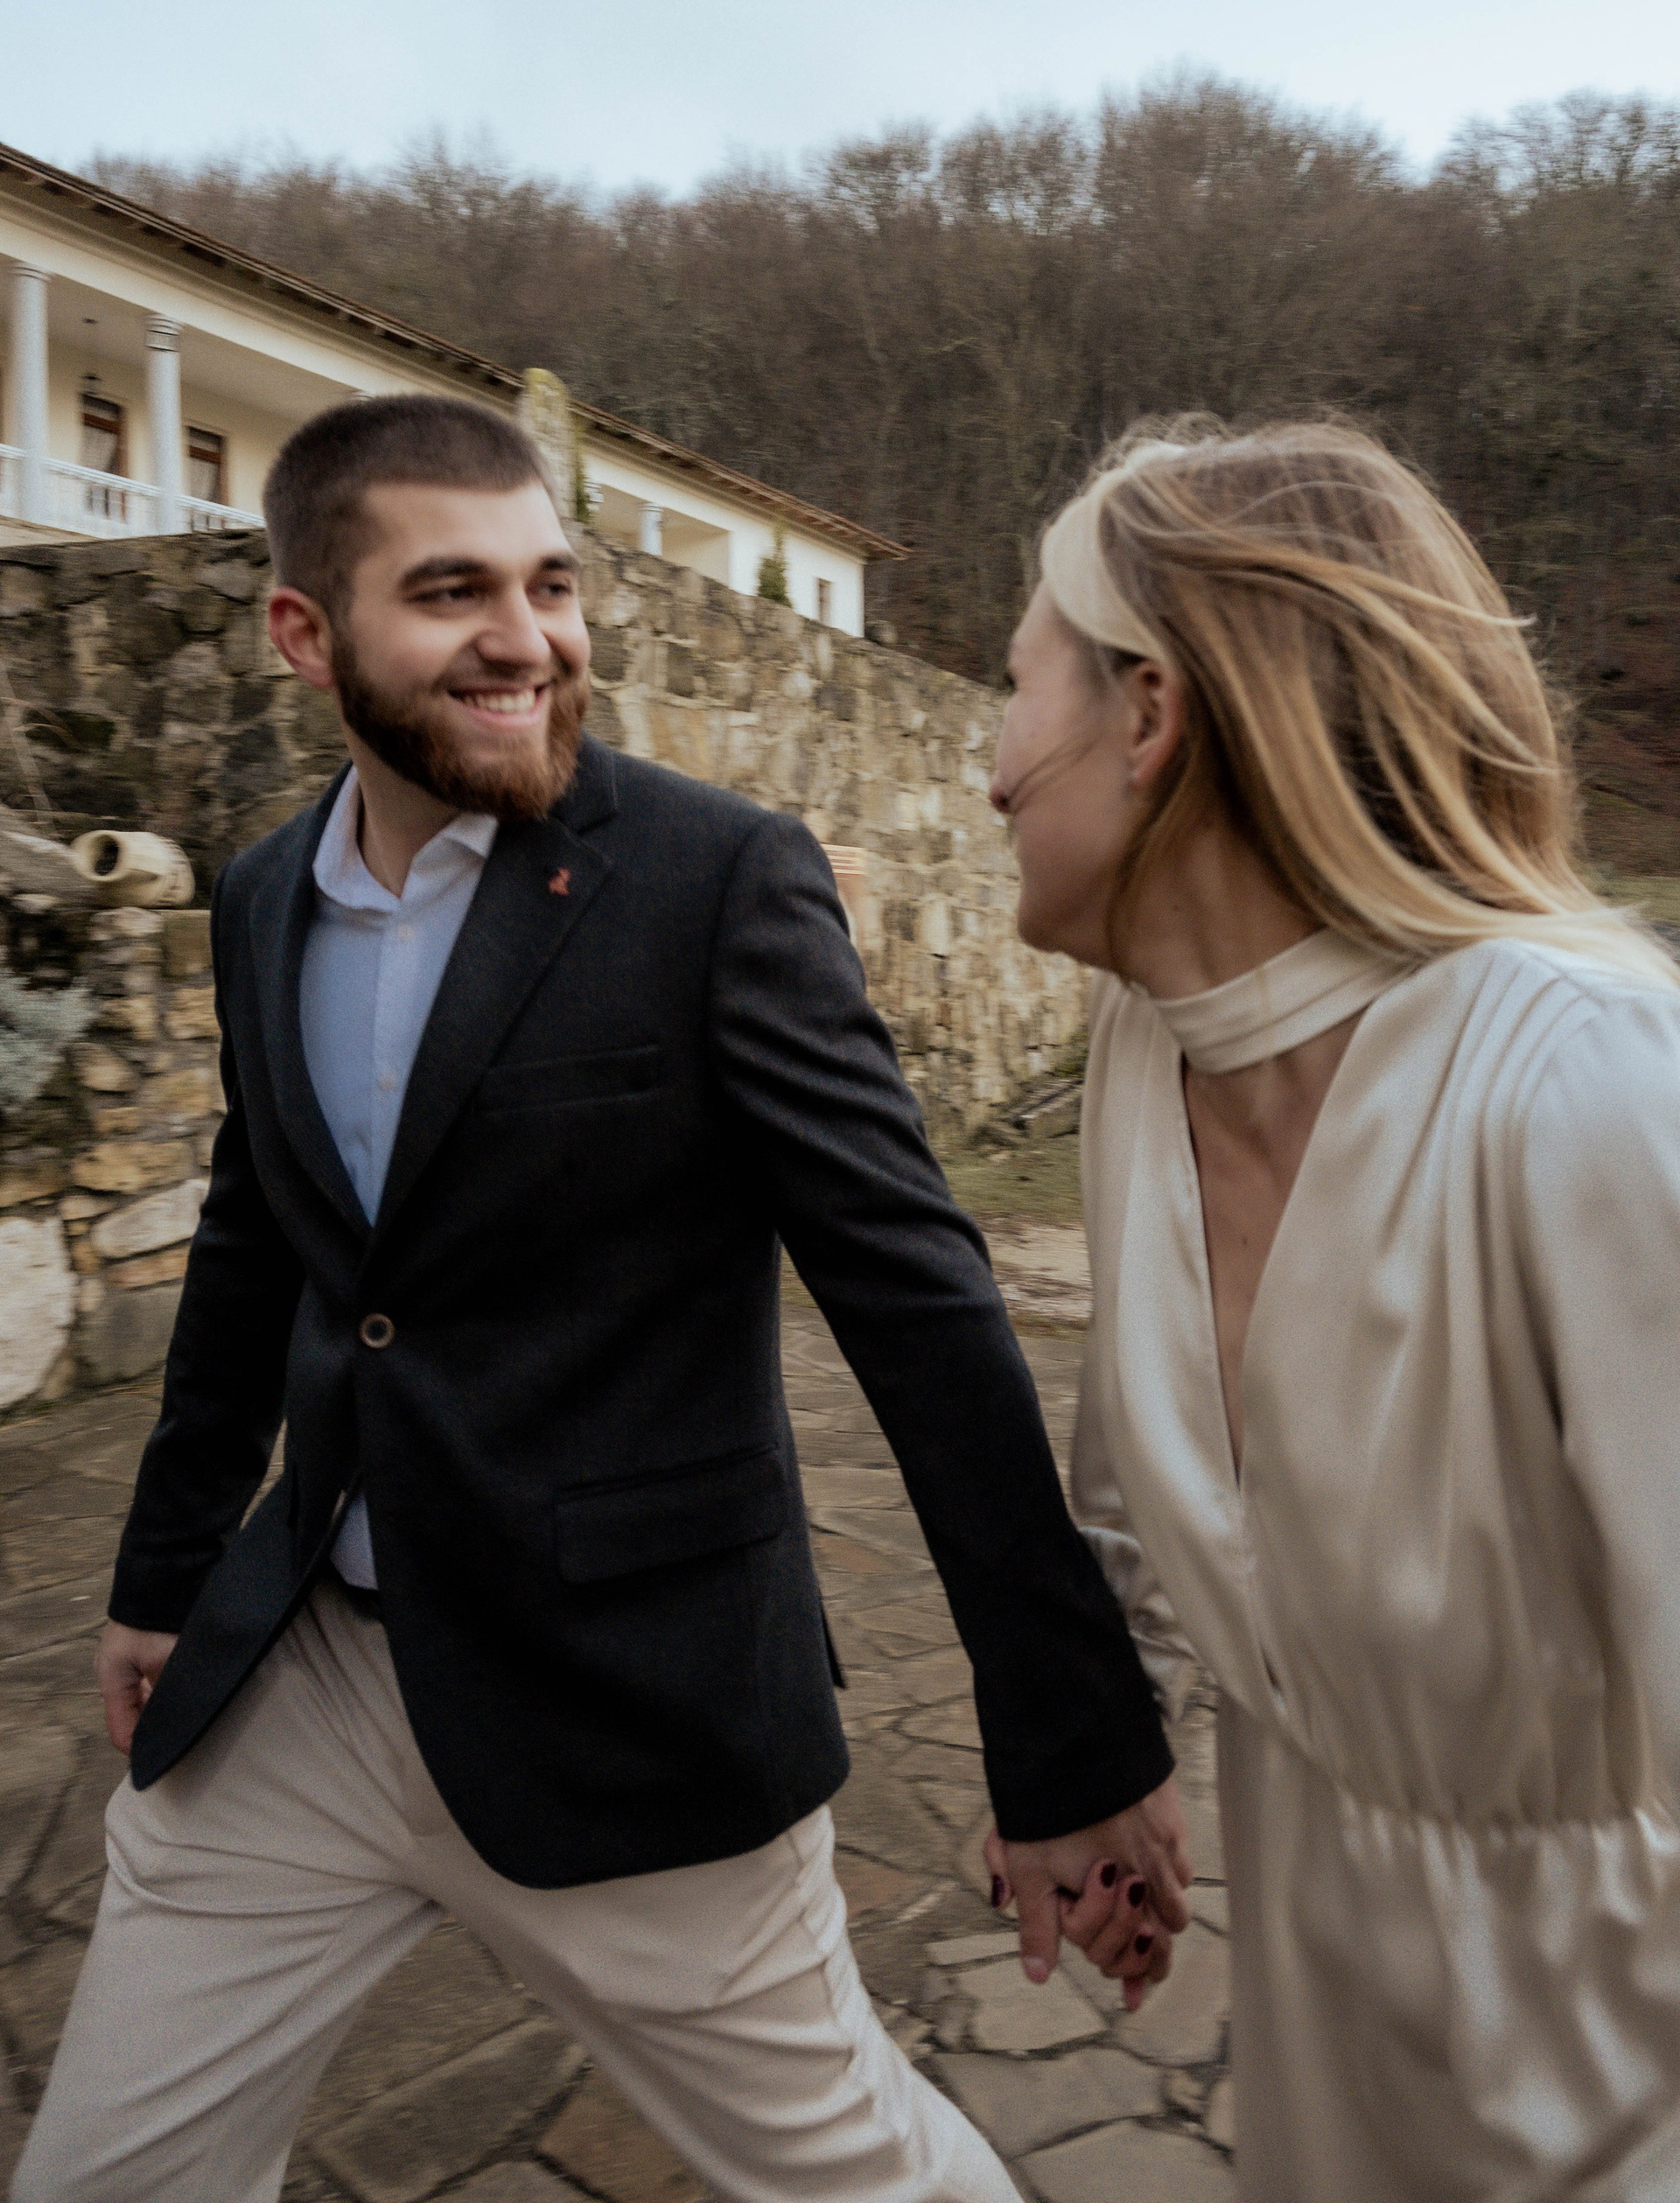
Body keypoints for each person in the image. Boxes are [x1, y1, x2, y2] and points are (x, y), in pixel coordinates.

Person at [15, 393, 1190, 2203]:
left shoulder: (715, 882)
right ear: (305, 635)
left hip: (635, 1707)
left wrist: (1070, 1734)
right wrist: (164, 1572)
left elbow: (921, 1306)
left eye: (551, 584)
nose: (528, 638)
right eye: (453, 591)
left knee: (853, 2173)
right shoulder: (259, 902)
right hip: (305, 1690)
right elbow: (257, 1245)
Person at [986, 416, 1680, 2201]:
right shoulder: (1144, 1053)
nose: (989, 764)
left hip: (1620, 2076)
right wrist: (1099, 1756)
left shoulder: (1585, 1087)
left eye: (1016, 684)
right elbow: (1130, 1489)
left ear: (1149, 716)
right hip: (1318, 2047)